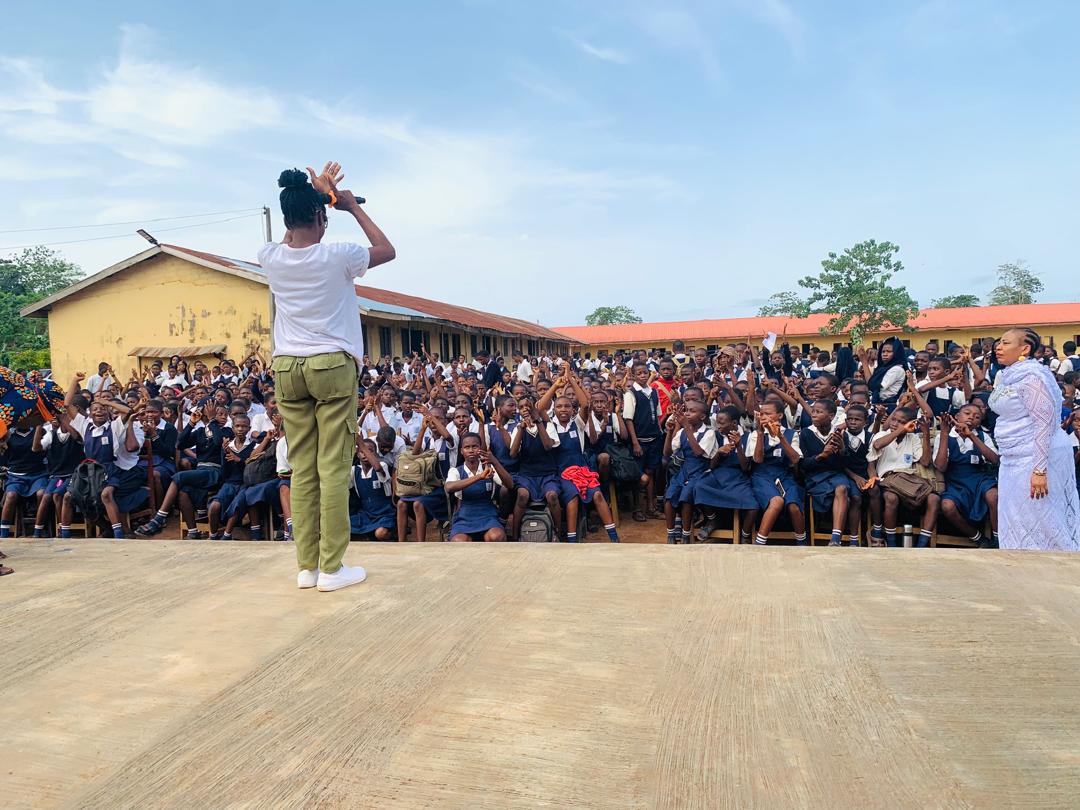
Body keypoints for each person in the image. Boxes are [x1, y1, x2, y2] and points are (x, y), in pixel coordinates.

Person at [261, 162, 395, 590]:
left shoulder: (270, 256)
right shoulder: (339, 254)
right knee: (333, 469)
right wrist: (348, 204)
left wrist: (314, 198)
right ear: (321, 217)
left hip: (286, 369)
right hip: (331, 365)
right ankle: (333, 570)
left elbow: (291, 237)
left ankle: (307, 568)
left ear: (285, 219)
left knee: (301, 471)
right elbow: (386, 249)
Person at [989, 328, 1080, 550]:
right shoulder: (1010, 375)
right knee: (1017, 517)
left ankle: (1053, 572)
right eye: (999, 343)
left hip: (1037, 458)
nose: (998, 347)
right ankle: (1021, 572)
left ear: (1025, 348)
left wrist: (1039, 471)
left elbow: (1044, 423)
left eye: (1006, 343)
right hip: (1014, 457)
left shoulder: (1032, 378)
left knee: (1042, 518)